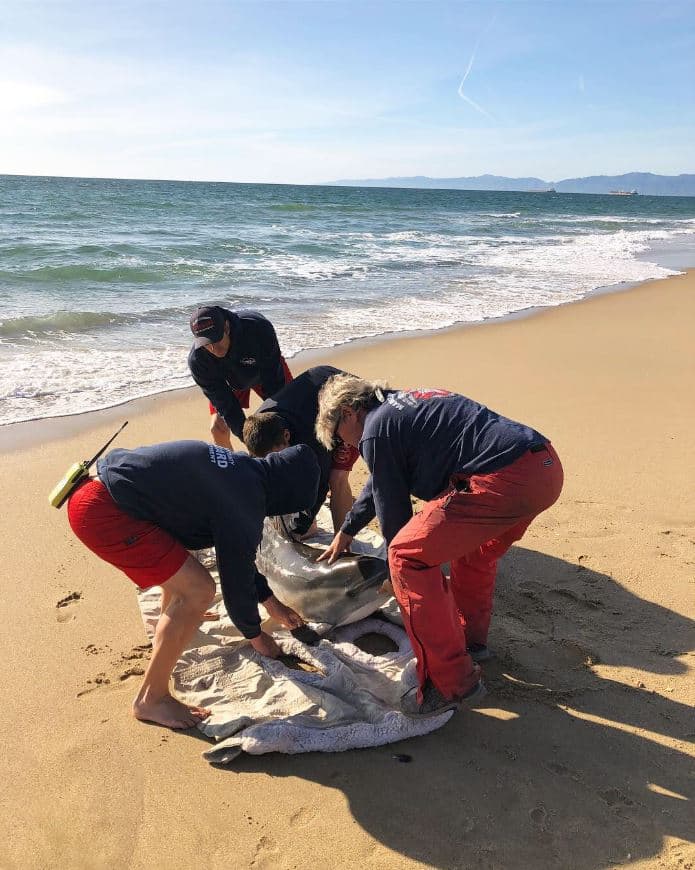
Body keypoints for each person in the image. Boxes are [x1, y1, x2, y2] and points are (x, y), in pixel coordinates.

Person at [315, 376, 564, 718]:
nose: (349, 449)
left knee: (405, 556)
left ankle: (449, 684)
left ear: (348, 412)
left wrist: (395, 577)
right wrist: (347, 529)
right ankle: (471, 643)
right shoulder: (396, 407)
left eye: (341, 439)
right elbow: (380, 481)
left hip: (502, 479)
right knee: (473, 554)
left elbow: (396, 521)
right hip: (543, 467)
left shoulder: (374, 430)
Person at [66, 440, 320, 730]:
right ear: (285, 496)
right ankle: (151, 698)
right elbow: (235, 580)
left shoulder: (242, 469)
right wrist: (255, 635)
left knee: (186, 577)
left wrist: (270, 602)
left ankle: (172, 614)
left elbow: (238, 555)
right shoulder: (245, 503)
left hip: (96, 488)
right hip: (103, 515)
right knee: (199, 590)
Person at [242, 365, 359, 536]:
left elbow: (320, 483)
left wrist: (305, 521)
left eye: (276, 455)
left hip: (348, 399)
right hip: (312, 396)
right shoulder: (258, 426)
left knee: (337, 478)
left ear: (287, 436)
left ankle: (344, 541)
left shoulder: (313, 439)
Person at [188, 305, 293, 449]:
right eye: (207, 344)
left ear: (226, 327)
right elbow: (225, 404)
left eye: (217, 339)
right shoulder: (198, 361)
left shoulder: (259, 329)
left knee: (288, 417)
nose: (214, 349)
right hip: (230, 381)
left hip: (264, 372)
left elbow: (273, 381)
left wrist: (276, 423)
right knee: (218, 428)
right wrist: (251, 443)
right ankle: (233, 468)